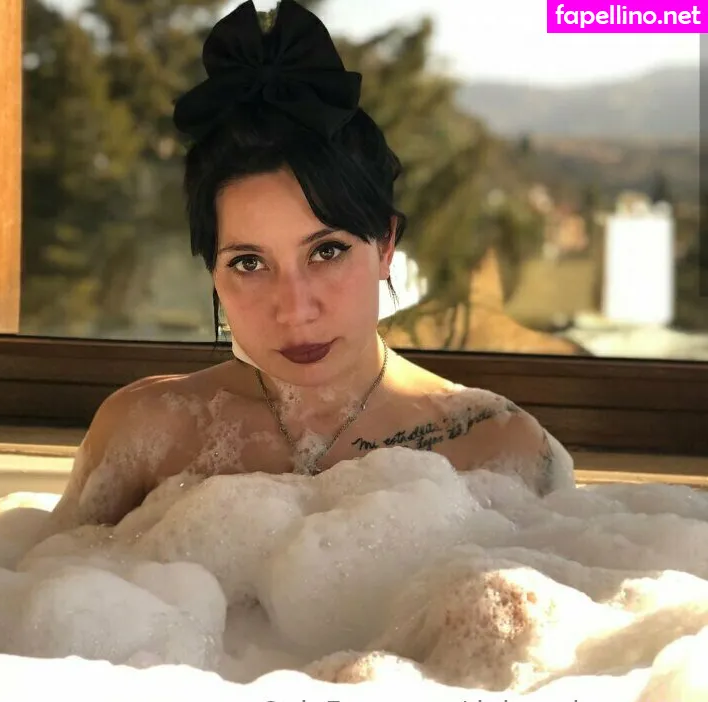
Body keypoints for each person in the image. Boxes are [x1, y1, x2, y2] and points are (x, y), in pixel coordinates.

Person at [47, 0, 574, 533]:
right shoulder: (143, 434)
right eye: (249, 262)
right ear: (212, 271)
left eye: (326, 251)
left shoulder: (496, 445)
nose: (295, 309)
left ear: (385, 245)